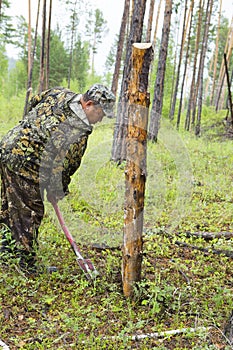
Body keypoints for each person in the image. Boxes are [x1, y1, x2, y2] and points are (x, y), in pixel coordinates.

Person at [0, 84, 115, 273]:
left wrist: (30, 129)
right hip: (27, 164)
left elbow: (34, 102)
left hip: (7, 148)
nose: (101, 118)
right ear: (88, 104)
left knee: (10, 205)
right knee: (30, 211)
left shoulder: (59, 93)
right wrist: (56, 190)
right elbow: (64, 168)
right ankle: (25, 265)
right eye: (101, 112)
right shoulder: (78, 131)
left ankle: (6, 252)